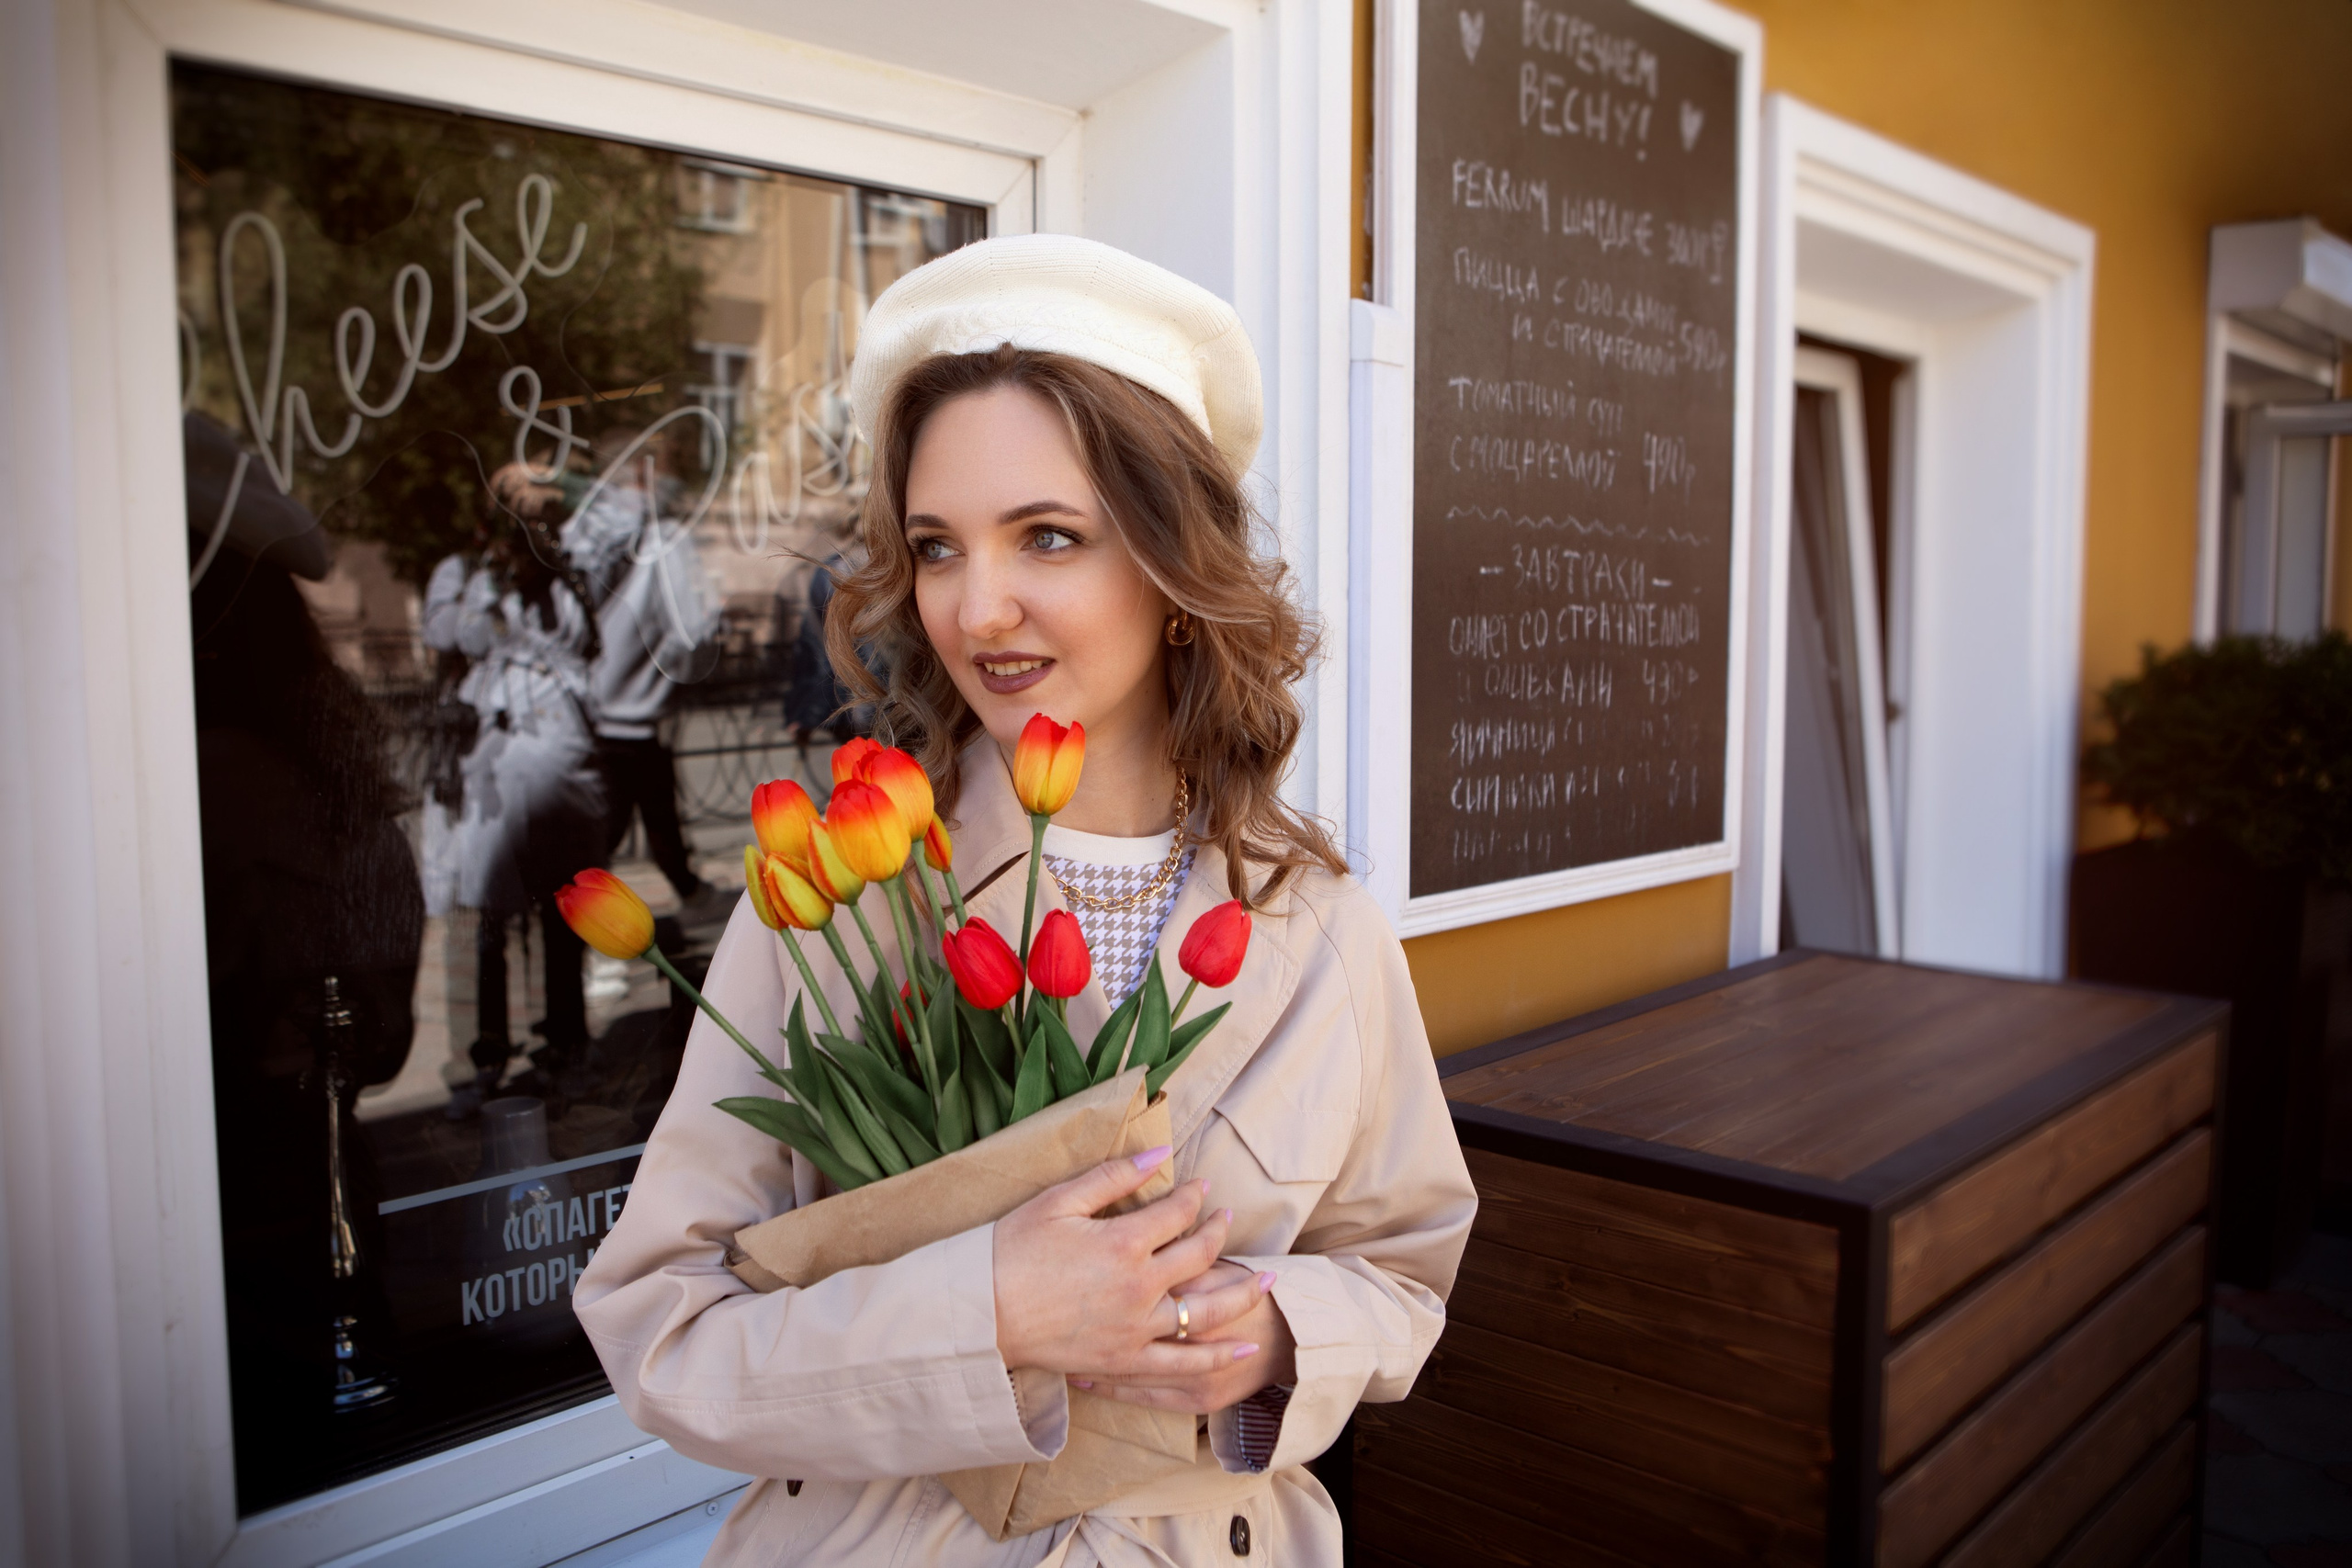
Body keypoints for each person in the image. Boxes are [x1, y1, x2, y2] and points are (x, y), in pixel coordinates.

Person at [574, 235, 1476, 1566]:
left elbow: (1402, 1269)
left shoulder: (1319, 925)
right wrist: (986, 1311)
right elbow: (662, 1331)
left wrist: (1280, 1334)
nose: (977, 607)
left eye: (1047, 537)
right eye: (938, 548)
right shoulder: (838, 905)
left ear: (1176, 572)